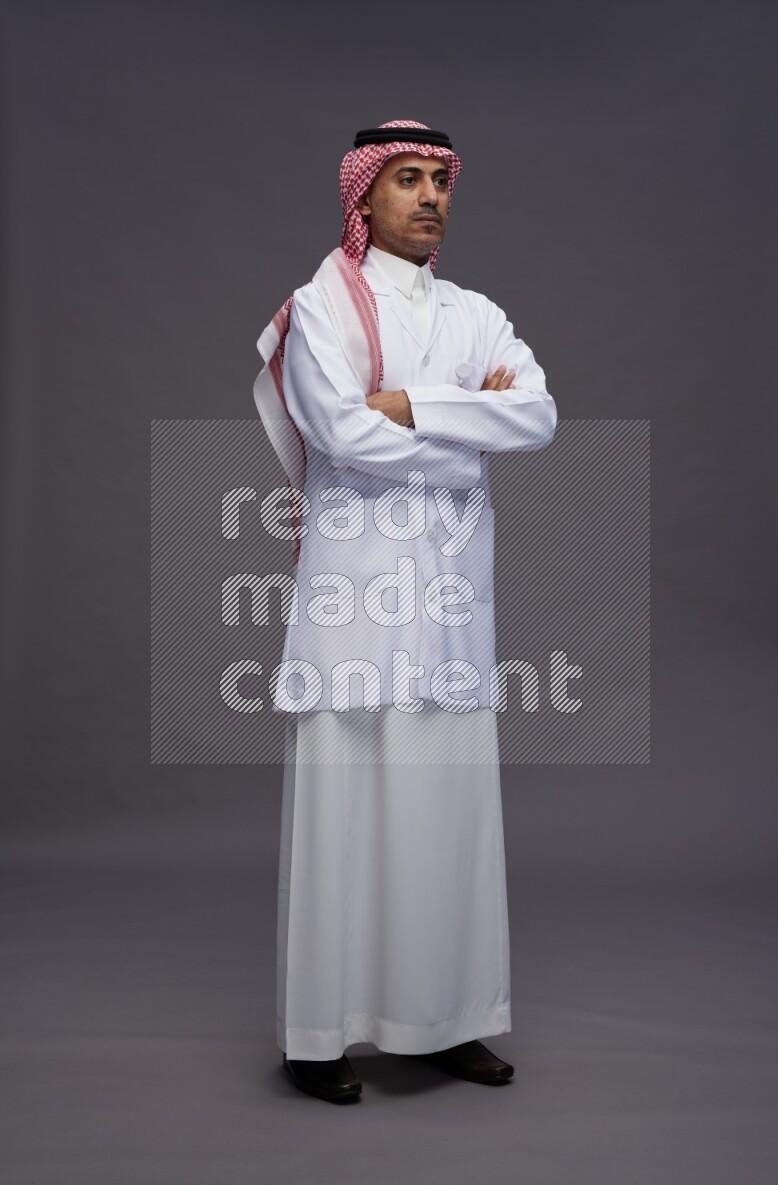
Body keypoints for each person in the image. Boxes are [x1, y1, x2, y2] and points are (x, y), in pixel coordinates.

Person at [253, 120, 557, 1103]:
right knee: (345, 813)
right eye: (407, 180)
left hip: (451, 601)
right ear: (363, 196)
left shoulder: (475, 313)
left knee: (447, 812)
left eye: (439, 180)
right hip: (356, 596)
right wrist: (465, 429)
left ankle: (443, 1024)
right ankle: (317, 1038)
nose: (428, 197)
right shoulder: (319, 304)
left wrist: (408, 405)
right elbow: (337, 433)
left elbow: (539, 415)